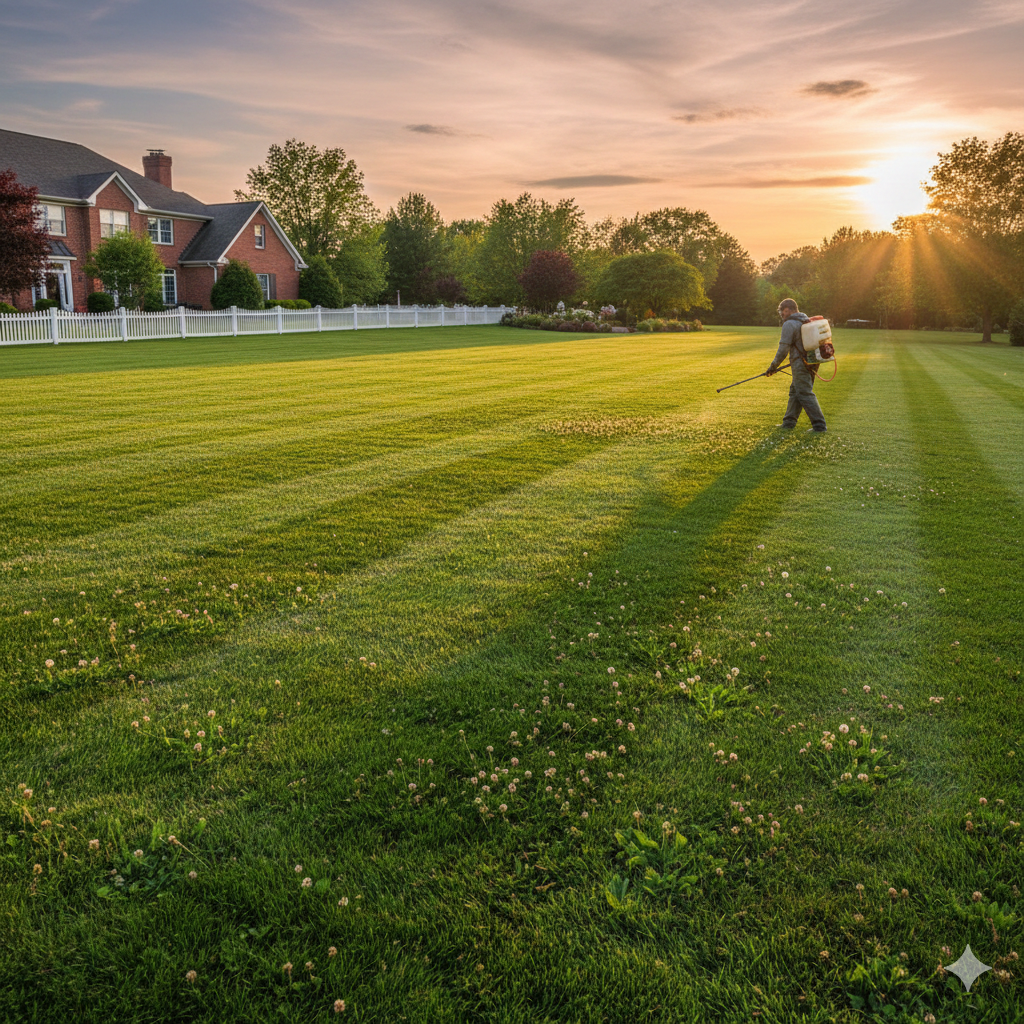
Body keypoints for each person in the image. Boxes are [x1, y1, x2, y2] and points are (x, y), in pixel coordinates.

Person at [766, 298, 827, 432]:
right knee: (795, 391)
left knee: (804, 392)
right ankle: (789, 422)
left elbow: (783, 349)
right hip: (812, 361)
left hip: (800, 364)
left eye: (782, 311)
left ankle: (819, 426)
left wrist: (773, 366)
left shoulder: (789, 324)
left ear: (788, 310)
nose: (781, 314)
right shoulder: (804, 320)